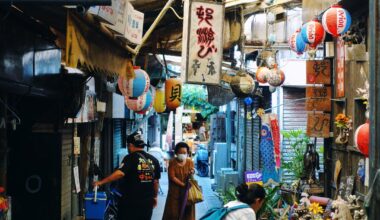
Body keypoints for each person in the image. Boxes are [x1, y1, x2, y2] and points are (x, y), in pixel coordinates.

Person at [93, 131, 161, 220]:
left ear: (130, 145)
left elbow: (120, 173)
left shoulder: (130, 158)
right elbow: (156, 182)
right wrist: (155, 197)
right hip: (147, 203)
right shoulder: (154, 160)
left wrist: (100, 182)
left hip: (130, 203)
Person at [162, 142, 195, 220]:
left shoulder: (190, 162)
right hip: (175, 192)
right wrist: (183, 184)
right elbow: (172, 177)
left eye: (185, 153)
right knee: (173, 213)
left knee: (187, 213)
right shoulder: (172, 162)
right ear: (176, 152)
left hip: (187, 193)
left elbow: (192, 171)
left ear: (187, 153)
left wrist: (192, 171)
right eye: (180, 152)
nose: (183, 154)